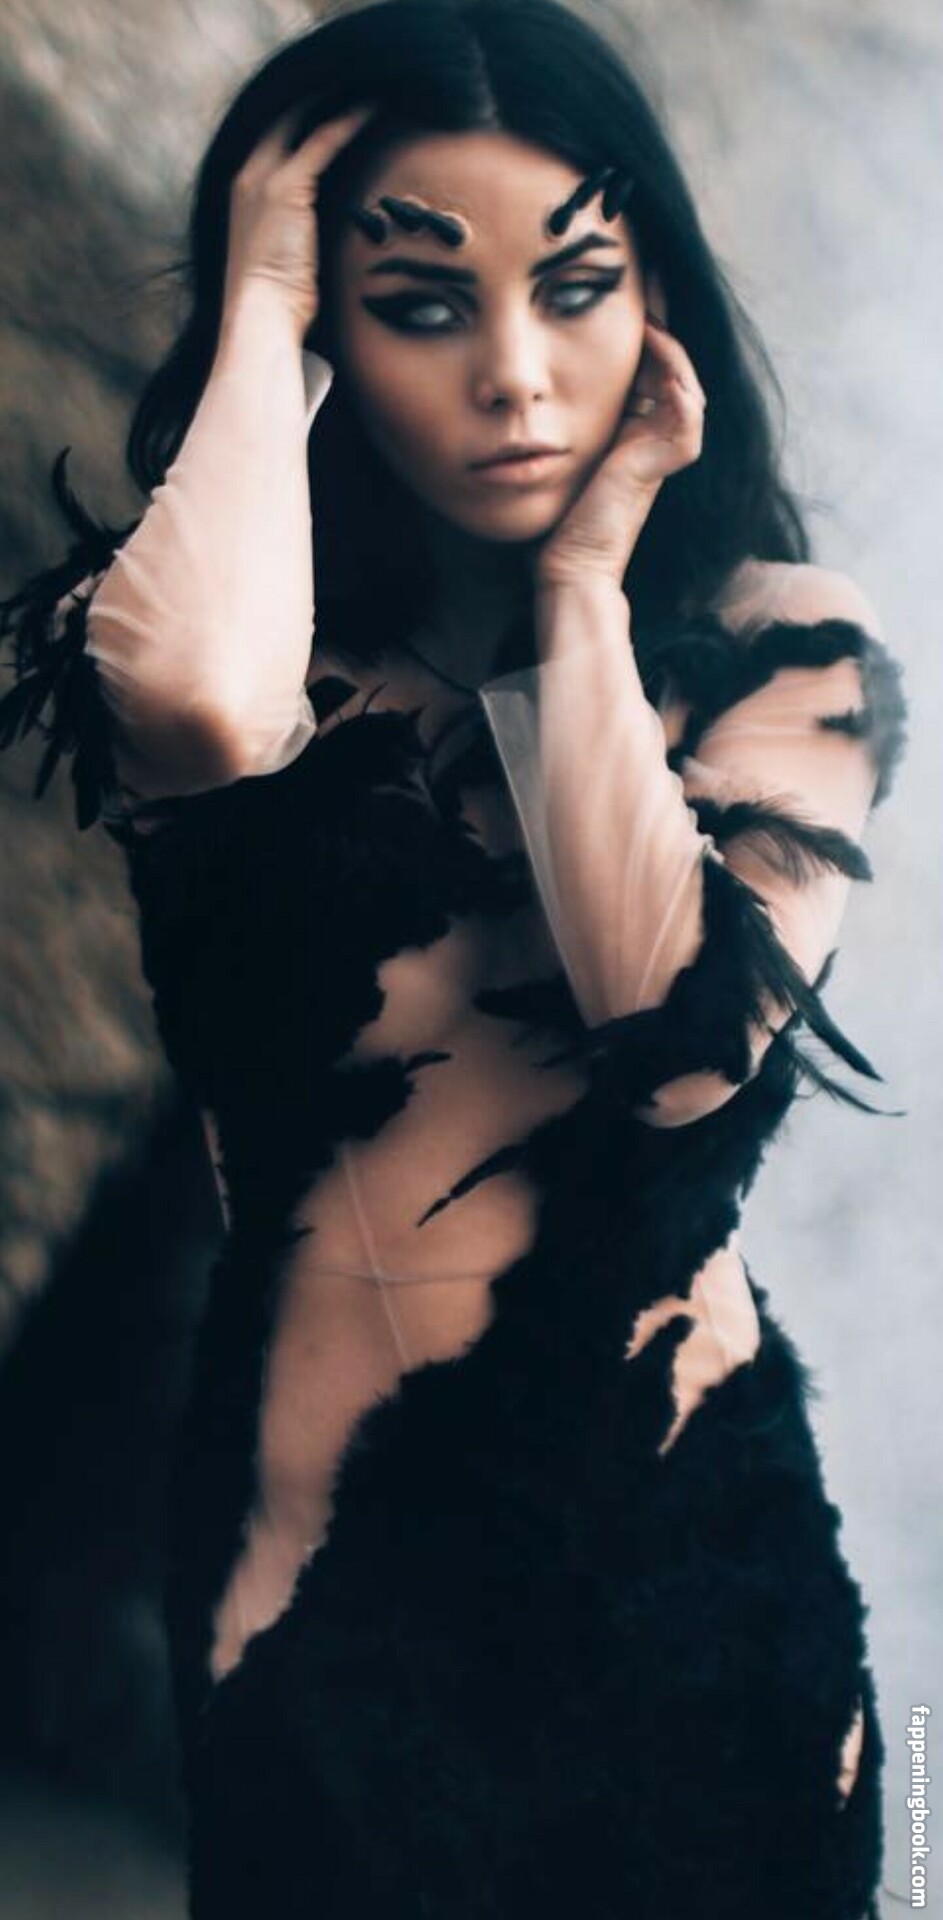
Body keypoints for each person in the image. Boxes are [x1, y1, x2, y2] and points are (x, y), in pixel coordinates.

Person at [0, 2, 909, 1914]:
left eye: (576, 289)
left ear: (657, 301)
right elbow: (191, 702)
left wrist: (580, 594)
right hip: (312, 1612)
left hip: (697, 1602)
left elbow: (678, 1037)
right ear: (329, 334)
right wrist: (262, 291)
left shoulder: (779, 651)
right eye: (420, 304)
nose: (516, 375)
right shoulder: (221, 632)